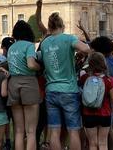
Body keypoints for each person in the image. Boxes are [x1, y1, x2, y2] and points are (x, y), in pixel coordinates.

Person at [40, 13, 90, 150]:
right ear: (62, 26)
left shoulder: (44, 43)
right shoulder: (68, 39)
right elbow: (86, 49)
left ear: (49, 28)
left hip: (51, 90)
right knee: (73, 130)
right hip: (69, 90)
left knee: (54, 131)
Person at [7, 20, 41, 150]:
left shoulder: (11, 47)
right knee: (31, 131)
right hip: (28, 83)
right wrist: (40, 67)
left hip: (13, 84)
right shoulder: (29, 45)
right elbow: (31, 64)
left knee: (19, 131)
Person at [80, 52, 113, 150]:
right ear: (104, 64)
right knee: (103, 143)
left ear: (90, 64)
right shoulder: (109, 80)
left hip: (88, 114)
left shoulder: (85, 78)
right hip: (105, 114)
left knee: (92, 143)